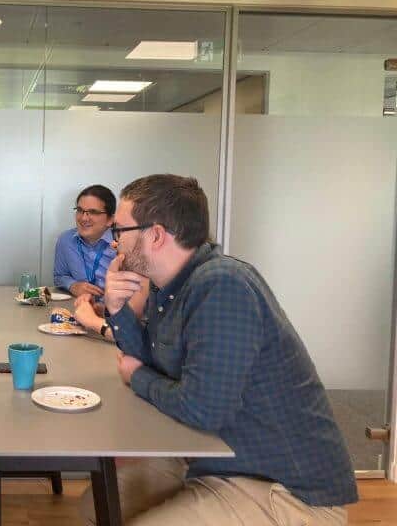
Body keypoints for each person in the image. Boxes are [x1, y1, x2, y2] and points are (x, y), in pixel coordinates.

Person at [81, 174, 357, 526]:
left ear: (156, 234)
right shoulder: (169, 287)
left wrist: (138, 378)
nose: (113, 243)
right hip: (213, 460)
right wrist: (118, 309)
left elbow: (202, 408)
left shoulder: (223, 285)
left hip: (283, 488)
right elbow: (146, 359)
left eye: (119, 231)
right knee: (97, 509)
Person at [53, 184, 117, 303]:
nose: (83, 218)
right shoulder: (66, 240)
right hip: (80, 309)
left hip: (118, 314)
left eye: (93, 212)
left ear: (110, 219)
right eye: (80, 210)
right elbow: (60, 276)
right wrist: (73, 285)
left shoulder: (123, 244)